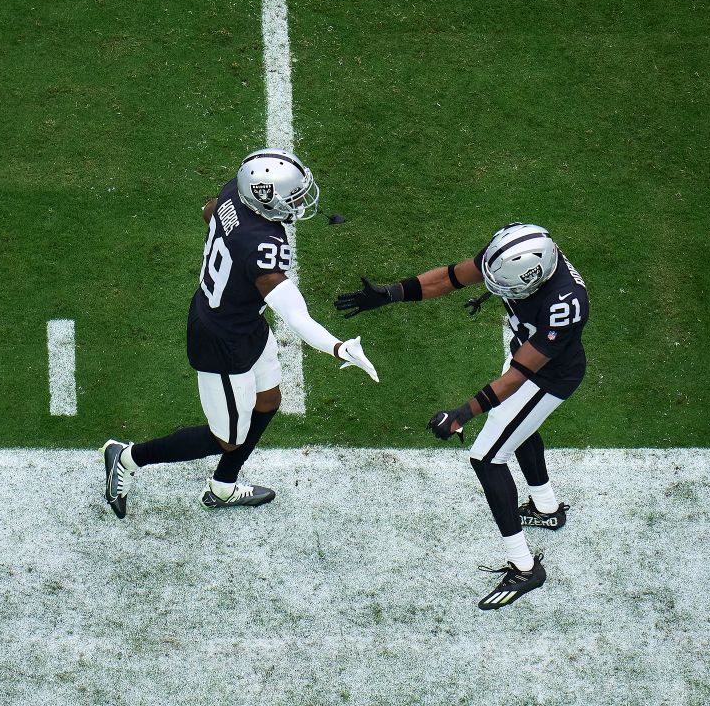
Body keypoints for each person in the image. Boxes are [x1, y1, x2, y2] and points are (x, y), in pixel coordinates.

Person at [102, 149, 378, 518]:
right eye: (291, 197)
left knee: (269, 400)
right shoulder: (263, 248)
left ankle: (223, 487)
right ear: (265, 196)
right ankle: (128, 458)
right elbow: (296, 317)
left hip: (241, 320)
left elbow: (209, 210)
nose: (298, 203)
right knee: (227, 438)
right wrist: (339, 347)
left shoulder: (235, 192)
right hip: (223, 340)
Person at [335, 223, 589, 609]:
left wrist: (462, 414)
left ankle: (524, 567)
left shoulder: (564, 304)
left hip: (546, 376)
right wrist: (391, 294)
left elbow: (519, 376)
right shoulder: (516, 255)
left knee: (487, 457)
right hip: (526, 353)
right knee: (515, 429)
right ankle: (547, 508)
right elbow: (453, 277)